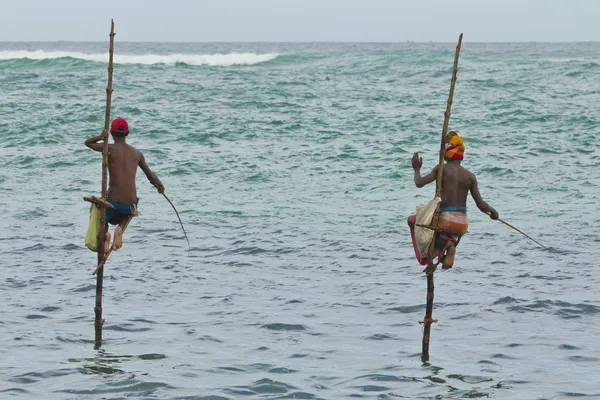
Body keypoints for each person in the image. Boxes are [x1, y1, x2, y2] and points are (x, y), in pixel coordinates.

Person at [410, 131, 498, 269]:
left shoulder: (442, 169)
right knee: (443, 231)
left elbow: (419, 183)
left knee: (413, 221)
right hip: (462, 223)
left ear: (446, 151)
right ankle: (447, 245)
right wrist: (493, 212)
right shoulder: (470, 176)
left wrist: (416, 169)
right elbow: (481, 205)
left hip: (446, 220)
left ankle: (445, 247)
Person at [85, 118, 165, 253]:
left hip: (113, 203)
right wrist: (159, 185)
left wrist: (100, 137)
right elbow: (150, 175)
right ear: (127, 133)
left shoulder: (108, 148)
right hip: (128, 206)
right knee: (132, 208)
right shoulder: (137, 154)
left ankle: (105, 236)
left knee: (102, 216)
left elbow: (88, 143)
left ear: (111, 132)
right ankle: (120, 229)